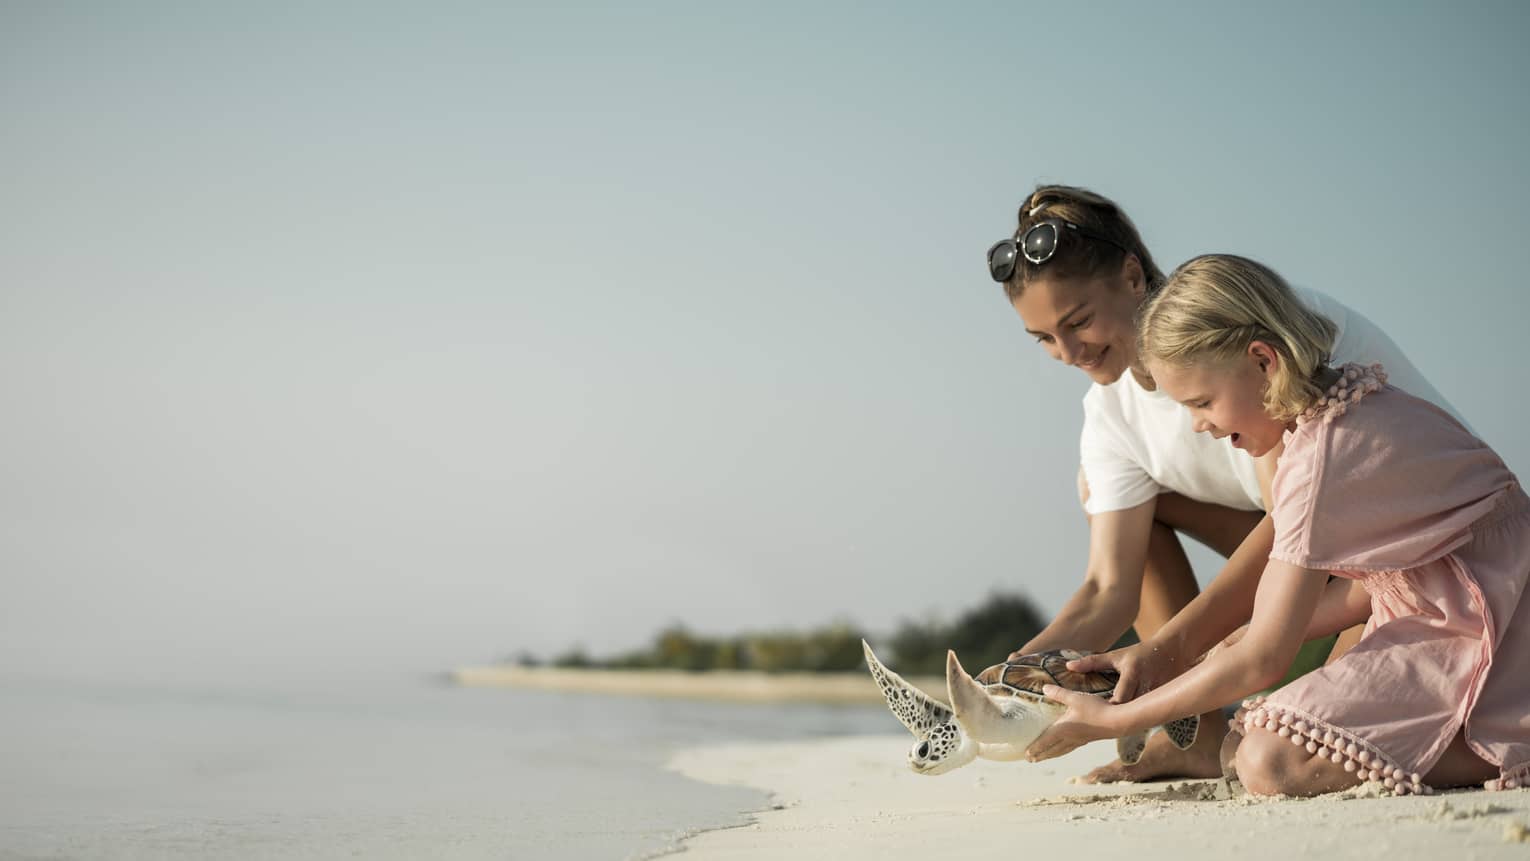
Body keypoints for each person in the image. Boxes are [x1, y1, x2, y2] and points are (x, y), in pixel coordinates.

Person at [990, 186, 1462, 782]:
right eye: (1044, 339)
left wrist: (1173, 653)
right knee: (1118, 496)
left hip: (1411, 561)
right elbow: (1110, 586)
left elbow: (1299, 519)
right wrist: (1021, 674)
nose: (1068, 353)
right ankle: (1194, 735)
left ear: (1132, 276)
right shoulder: (1109, 411)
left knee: (1292, 755)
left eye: (1078, 322)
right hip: (1327, 573)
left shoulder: (1264, 329)